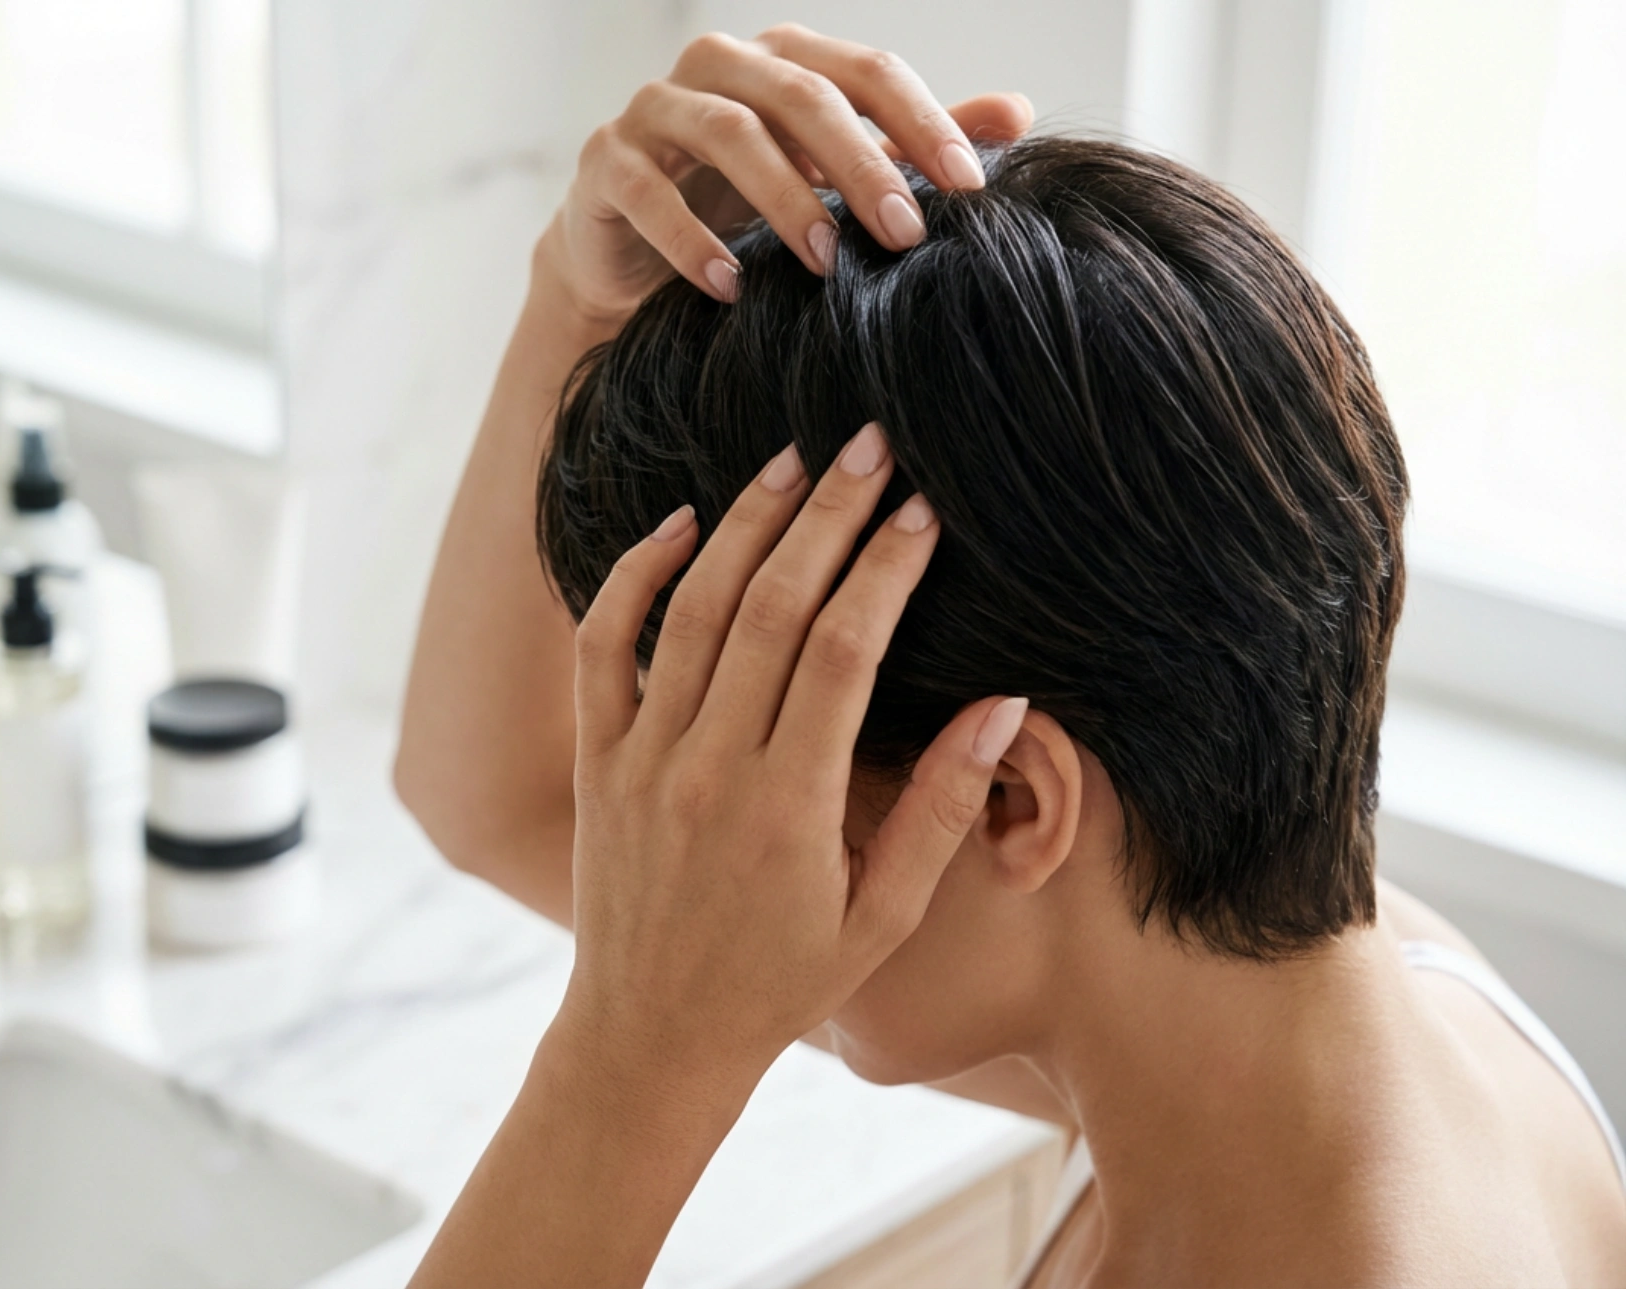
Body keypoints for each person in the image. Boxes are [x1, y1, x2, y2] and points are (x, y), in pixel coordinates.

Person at [394, 25, 1626, 1287]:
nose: (686, 814)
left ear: (1005, 796)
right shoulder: (1321, 1019)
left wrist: (634, 1054)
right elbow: (503, 796)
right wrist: (577, 293)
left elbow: (513, 815)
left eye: (739, 741)